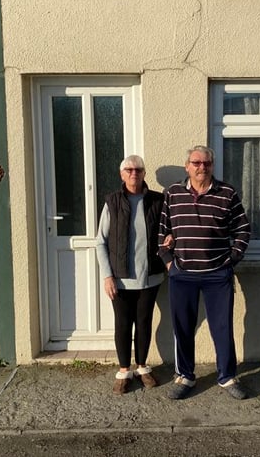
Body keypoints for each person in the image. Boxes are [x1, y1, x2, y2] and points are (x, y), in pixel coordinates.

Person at [158, 145, 251, 400]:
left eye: (206, 163)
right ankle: (185, 376)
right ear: (187, 166)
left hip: (217, 275)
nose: (202, 167)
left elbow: (243, 230)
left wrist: (232, 260)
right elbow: (161, 230)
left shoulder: (227, 194)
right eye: (196, 163)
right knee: (183, 328)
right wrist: (169, 263)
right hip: (182, 273)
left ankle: (227, 377)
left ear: (212, 166)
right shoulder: (173, 193)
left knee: (222, 328)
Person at [95, 155, 165, 395]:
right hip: (120, 279)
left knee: (144, 323)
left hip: (150, 276)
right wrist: (107, 276)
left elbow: (168, 231)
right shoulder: (113, 202)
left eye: (138, 169)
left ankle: (143, 367)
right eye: (129, 169)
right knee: (123, 325)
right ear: (121, 174)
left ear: (144, 173)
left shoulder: (158, 200)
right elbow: (100, 242)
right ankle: (124, 371)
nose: (134, 173)